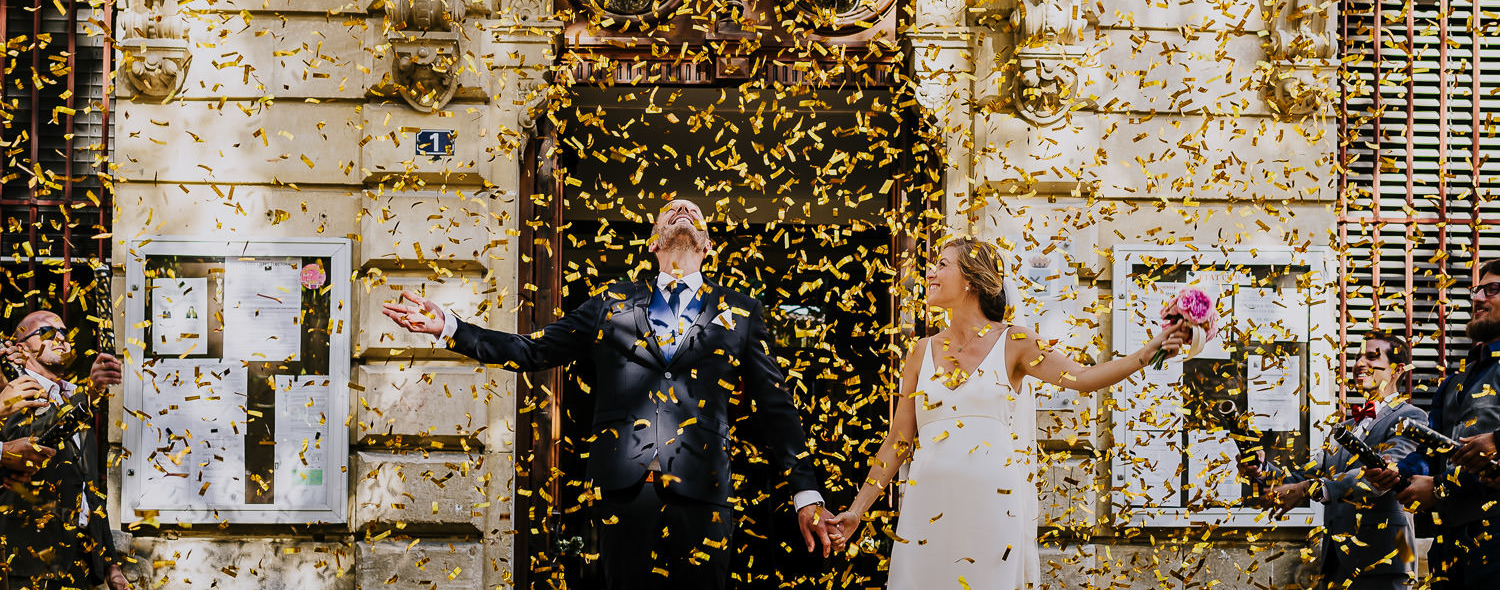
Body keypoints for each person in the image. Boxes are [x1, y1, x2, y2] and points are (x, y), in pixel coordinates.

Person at [382, 197, 834, 590]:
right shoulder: (611, 304)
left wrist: (806, 493)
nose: (682, 212)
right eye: (671, 211)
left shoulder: (741, 311)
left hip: (704, 490)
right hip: (625, 491)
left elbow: (776, 406)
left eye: (693, 212)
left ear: (707, 245)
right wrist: (452, 328)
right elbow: (534, 349)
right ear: (654, 243)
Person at [827, 236, 1191, 590]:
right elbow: (899, 440)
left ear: (971, 279)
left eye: (941, 264)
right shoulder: (920, 352)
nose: (929, 273)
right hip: (927, 510)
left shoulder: (1015, 342)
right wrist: (857, 512)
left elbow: (1083, 378)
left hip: (992, 513)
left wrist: (1149, 351)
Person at [1258, 331, 1424, 590]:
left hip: (1385, 558)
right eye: (1358, 356)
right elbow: (1306, 475)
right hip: (1336, 564)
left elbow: (1381, 476)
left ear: (1397, 369)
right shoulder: (1344, 426)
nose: (1360, 363)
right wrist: (1261, 468)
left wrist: (1307, 489)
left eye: (1371, 356)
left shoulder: (1412, 417)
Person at [1379, 259, 1500, 589]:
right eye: (1476, 290)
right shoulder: (1454, 383)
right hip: (1451, 543)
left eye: (1493, 290)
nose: (1477, 299)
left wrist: (1441, 487)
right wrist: (1399, 471)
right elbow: (1428, 449)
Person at [0, 310, 126, 590]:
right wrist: (89, 395)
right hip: (33, 564)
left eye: (63, 333)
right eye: (45, 333)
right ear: (22, 348)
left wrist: (111, 565)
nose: (59, 338)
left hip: (79, 563)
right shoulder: (14, 394)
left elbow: (88, 487)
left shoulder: (72, 398)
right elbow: (38, 441)